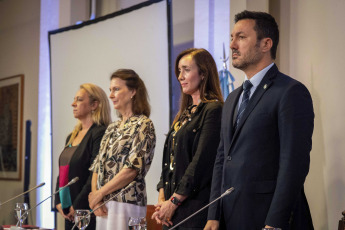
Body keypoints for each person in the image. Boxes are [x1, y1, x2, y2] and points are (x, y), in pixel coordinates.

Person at [205, 10, 315, 230]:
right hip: (230, 218)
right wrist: (213, 214)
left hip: (267, 219)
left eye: (241, 37)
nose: (233, 45)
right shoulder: (233, 97)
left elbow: (293, 164)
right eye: (231, 38)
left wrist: (275, 222)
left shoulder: (290, 92)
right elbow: (221, 159)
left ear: (266, 44)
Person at [152, 48, 224, 229]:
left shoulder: (213, 110)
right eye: (178, 71)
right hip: (170, 210)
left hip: (193, 208)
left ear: (203, 73)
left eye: (186, 69)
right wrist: (162, 200)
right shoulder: (182, 115)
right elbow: (169, 162)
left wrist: (174, 201)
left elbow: (201, 162)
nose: (180, 76)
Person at [88, 69, 156, 230]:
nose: (111, 95)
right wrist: (96, 198)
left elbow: (132, 169)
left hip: (127, 204)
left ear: (133, 91)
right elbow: (98, 165)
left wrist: (99, 193)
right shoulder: (112, 127)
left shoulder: (143, 124)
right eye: (110, 90)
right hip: (104, 204)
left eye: (116, 89)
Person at [55, 83, 111, 230]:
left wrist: (77, 205)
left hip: (87, 212)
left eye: (79, 100)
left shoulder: (99, 133)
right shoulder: (71, 137)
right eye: (74, 99)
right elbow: (63, 171)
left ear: (94, 105)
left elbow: (94, 173)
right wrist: (58, 202)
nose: (73, 104)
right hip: (68, 211)